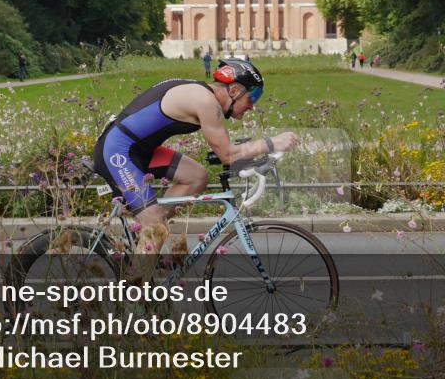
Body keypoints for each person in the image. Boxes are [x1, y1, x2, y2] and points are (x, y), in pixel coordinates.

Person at [93, 58, 298, 267]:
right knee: (155, 226)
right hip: (117, 150)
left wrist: (254, 157)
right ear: (235, 90)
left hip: (140, 150)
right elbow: (227, 154)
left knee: (197, 177)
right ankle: (133, 293)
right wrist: (272, 143)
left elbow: (227, 153)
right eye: (253, 96)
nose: (253, 106)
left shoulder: (205, 96)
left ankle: (147, 242)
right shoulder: (206, 102)